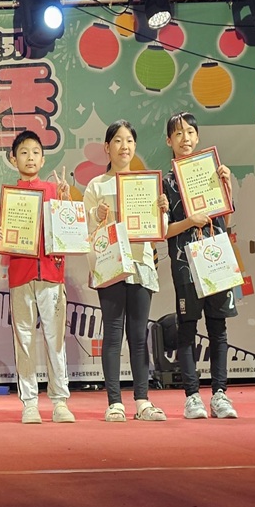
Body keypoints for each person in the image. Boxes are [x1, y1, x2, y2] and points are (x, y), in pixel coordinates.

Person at [83, 121, 168, 422]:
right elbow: (86, 228)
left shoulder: (146, 183)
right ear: (107, 148)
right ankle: (114, 402)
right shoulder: (96, 186)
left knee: (139, 335)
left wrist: (162, 210)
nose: (124, 146)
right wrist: (96, 214)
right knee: (113, 334)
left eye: (129, 140)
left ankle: (142, 401)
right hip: (111, 265)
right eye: (118, 140)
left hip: (140, 263)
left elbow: (160, 230)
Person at [0, 129, 75, 424]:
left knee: (55, 340)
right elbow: (5, 237)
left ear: (43, 159)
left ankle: (60, 401)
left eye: (36, 152)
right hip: (20, 274)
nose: (30, 157)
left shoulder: (55, 191)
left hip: (51, 274)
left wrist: (66, 202)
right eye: (24, 152)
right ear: (13, 159)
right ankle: (29, 402)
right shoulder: (10, 195)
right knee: (24, 340)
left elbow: (70, 231)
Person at [163, 111, 239, 419]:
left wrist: (227, 188)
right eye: (178, 134)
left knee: (218, 329)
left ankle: (220, 395)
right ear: (169, 141)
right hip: (186, 265)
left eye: (190, 133)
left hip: (215, 259)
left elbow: (226, 222)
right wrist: (189, 221)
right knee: (187, 329)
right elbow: (164, 230)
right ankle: (192, 397)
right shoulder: (165, 183)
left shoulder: (212, 174)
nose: (185, 139)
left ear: (198, 137)